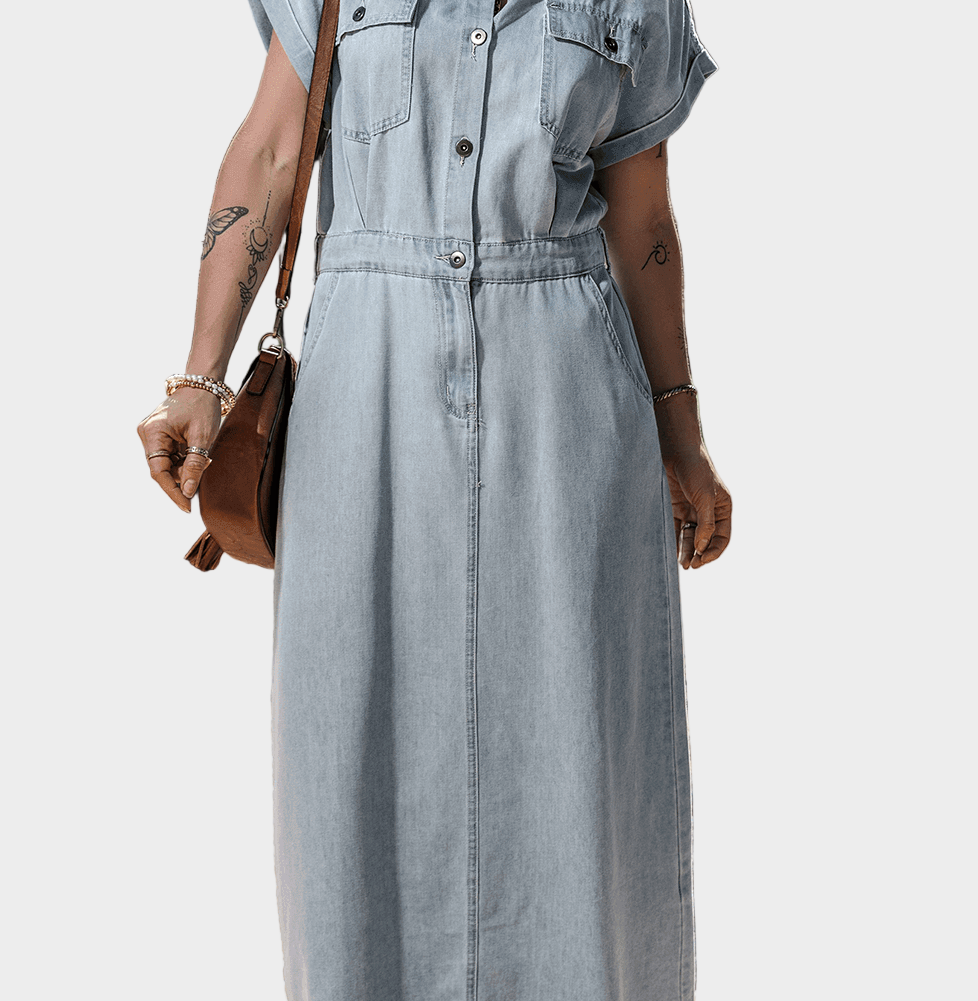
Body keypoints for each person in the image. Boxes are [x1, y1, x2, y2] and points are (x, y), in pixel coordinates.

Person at [137, 1, 732, 998]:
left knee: (572, 750)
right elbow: (270, 150)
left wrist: (682, 435)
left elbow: (642, 218)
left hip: (564, 392)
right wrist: (200, 375)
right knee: (352, 742)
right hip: (363, 384)